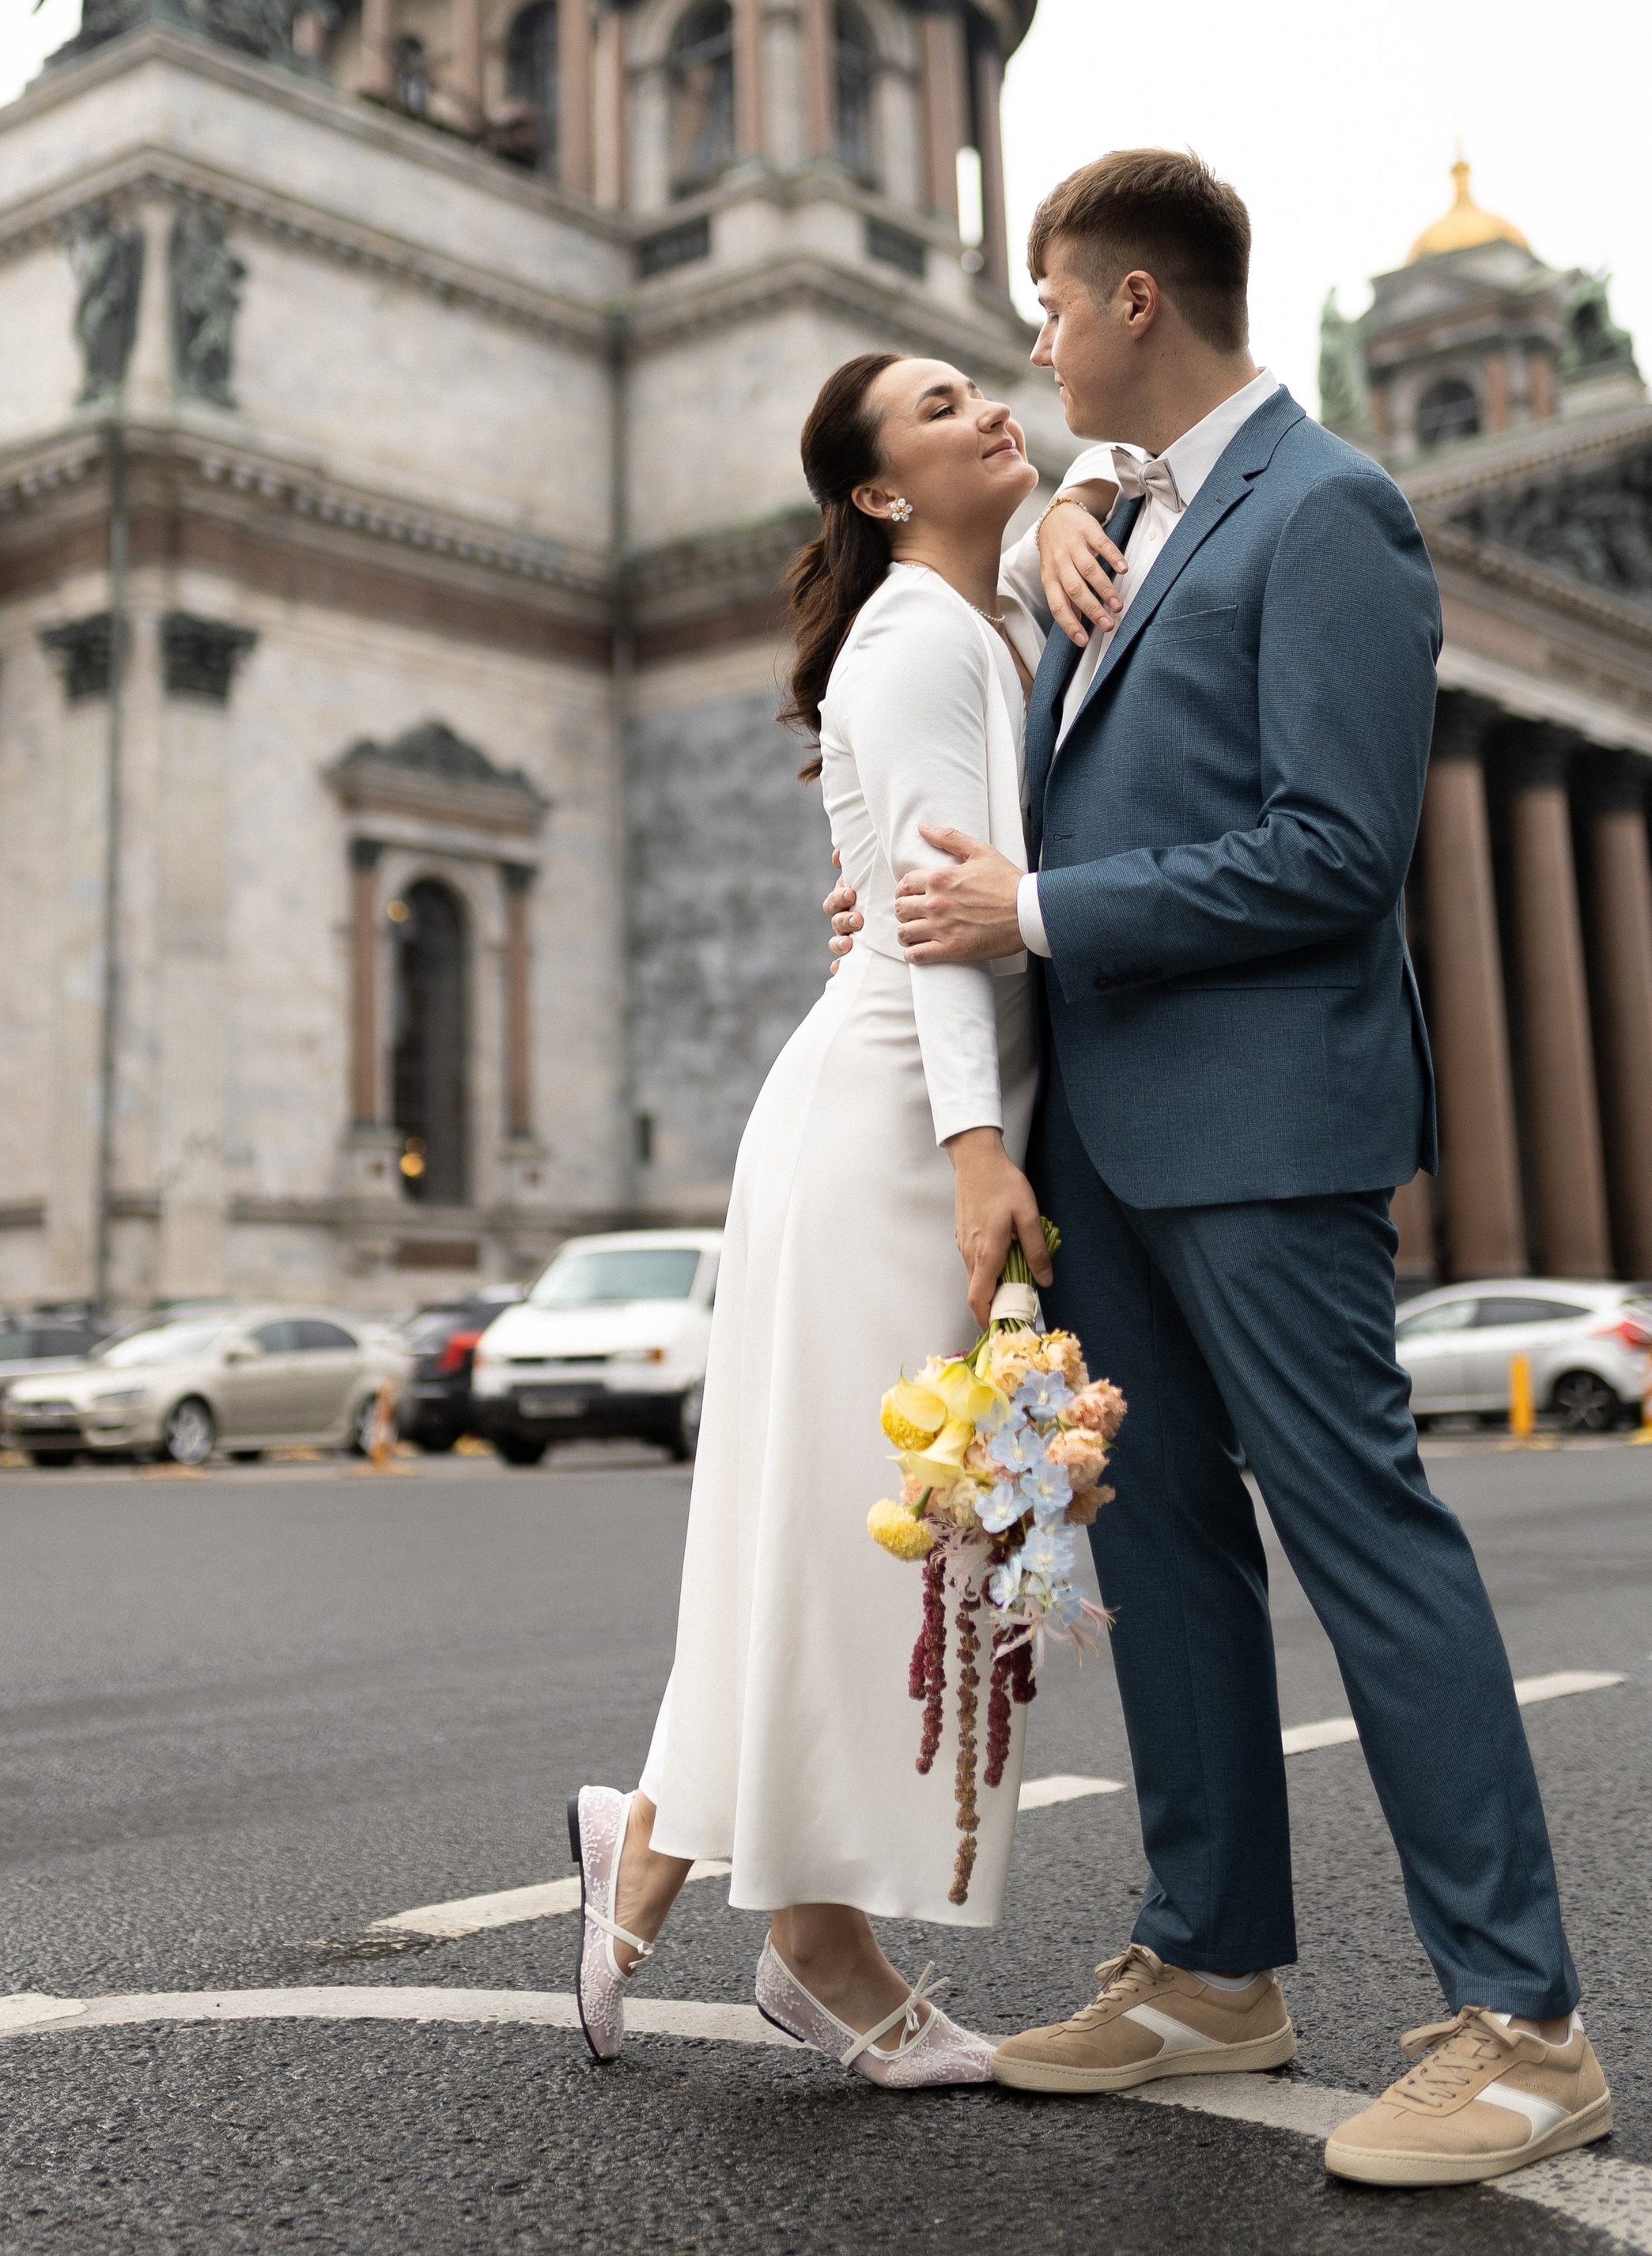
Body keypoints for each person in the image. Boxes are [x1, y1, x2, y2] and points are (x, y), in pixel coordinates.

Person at [832, 148, 1607, 2188]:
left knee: (1362, 1538)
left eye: (1046, 304)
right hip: (1118, 1138)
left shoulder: (1328, 511)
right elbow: (1012, 763)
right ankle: (1210, 1969)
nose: (1027, 340)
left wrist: (1036, 914)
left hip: (1265, 1127)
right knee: (1161, 1554)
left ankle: (1520, 2027)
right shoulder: (1128, 521)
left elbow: (1331, 855)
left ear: (1134, 306)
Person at [569, 350, 1060, 2086]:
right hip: (889, 1129)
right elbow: (935, 920)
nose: (988, 407)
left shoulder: (966, 620)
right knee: (878, 1542)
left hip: (881, 1115)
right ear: (872, 491)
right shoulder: (924, 635)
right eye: (936, 410)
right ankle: (807, 1939)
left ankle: (672, 1862)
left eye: (977, 385)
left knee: (835, 1532)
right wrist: (979, 1146)